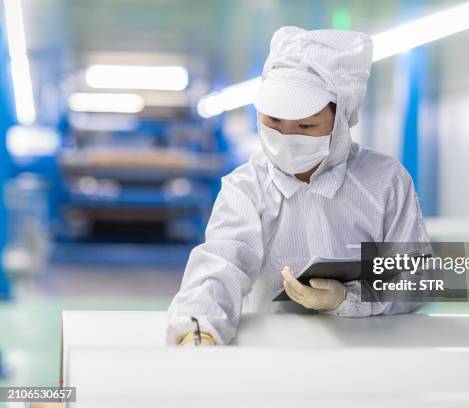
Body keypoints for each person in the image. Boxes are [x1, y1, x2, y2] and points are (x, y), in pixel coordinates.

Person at [166, 26, 430, 346]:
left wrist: (347, 297)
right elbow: (222, 263)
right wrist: (200, 330)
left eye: (306, 125)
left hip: (375, 350)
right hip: (279, 354)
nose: (287, 137)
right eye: (273, 121)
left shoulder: (385, 182)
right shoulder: (247, 187)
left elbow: (417, 279)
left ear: (341, 119)